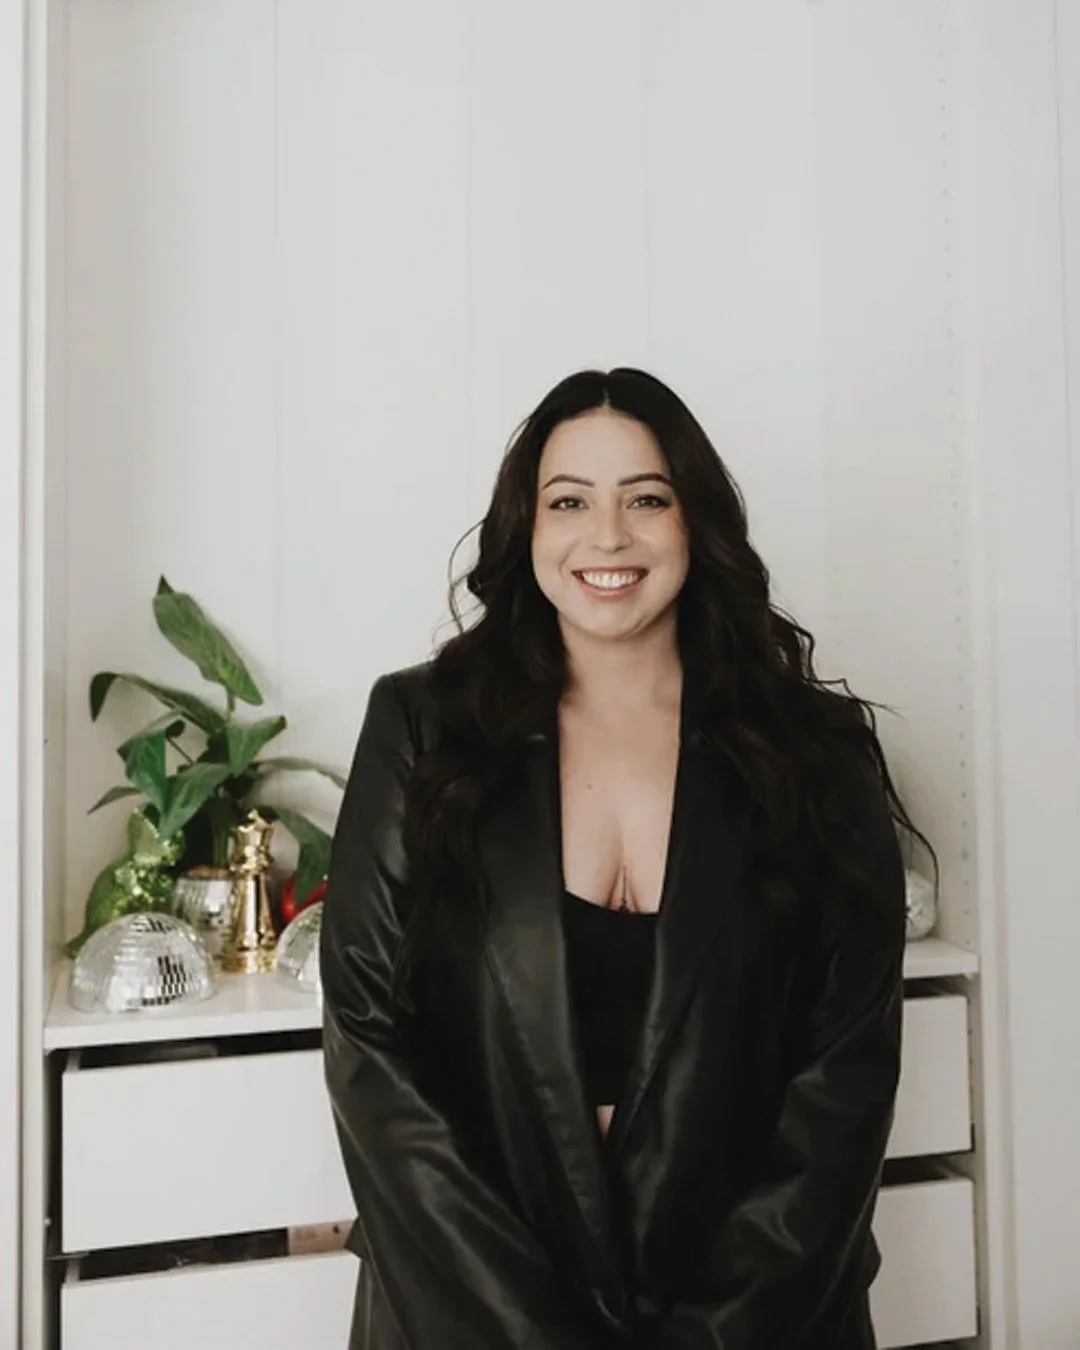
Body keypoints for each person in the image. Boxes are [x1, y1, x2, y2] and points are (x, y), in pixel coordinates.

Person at [320, 367, 936, 1350]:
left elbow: (844, 1075)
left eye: (646, 499)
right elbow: (372, 1051)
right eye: (569, 501)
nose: (607, 537)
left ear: (697, 523)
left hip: (754, 1314)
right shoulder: (421, 729)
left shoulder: (814, 750)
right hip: (472, 1308)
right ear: (528, 529)